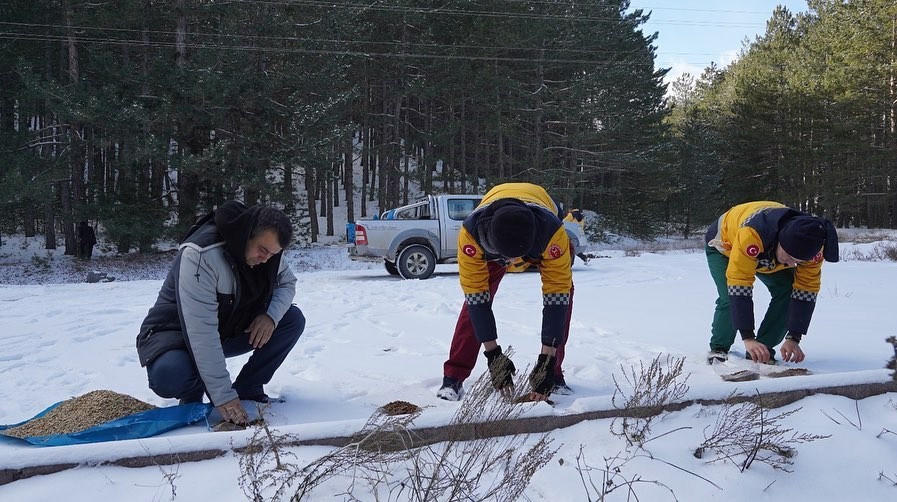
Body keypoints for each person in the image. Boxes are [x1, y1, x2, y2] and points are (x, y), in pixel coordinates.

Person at [136, 201, 305, 426]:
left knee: (291, 320)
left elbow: (287, 283)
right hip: (175, 335)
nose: (266, 259)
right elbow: (201, 331)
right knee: (170, 375)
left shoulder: (269, 252)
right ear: (247, 234)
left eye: (273, 254)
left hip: (226, 327)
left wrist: (269, 316)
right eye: (263, 250)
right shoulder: (200, 255)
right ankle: (192, 391)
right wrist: (223, 396)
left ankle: (249, 388)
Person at [437, 182, 575, 402]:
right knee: (475, 303)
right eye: (508, 260)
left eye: (517, 258)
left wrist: (546, 360)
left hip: (537, 233)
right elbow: (476, 299)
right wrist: (493, 356)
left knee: (564, 298)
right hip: (494, 242)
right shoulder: (471, 236)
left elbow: (556, 297)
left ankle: (553, 373)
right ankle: (453, 376)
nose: (513, 264)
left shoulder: (552, 234)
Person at [704, 201, 839, 365]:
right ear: (780, 241)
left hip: (767, 252)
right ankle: (719, 347)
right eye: (789, 258)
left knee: (788, 290)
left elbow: (806, 290)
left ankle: (762, 350)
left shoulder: (813, 250)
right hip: (725, 246)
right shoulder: (752, 234)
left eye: (798, 262)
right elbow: (739, 284)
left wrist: (794, 337)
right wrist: (748, 338)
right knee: (728, 294)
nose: (790, 265)